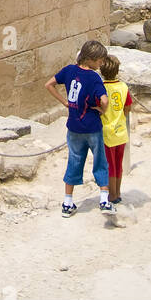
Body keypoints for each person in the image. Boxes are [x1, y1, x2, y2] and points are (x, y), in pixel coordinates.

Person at [45, 39, 113, 215]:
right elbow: (104, 100)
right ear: (91, 59)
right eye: (99, 61)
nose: (101, 64)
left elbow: (49, 84)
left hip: (74, 127)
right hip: (92, 126)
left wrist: (65, 103)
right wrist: (102, 110)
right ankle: (104, 200)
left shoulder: (69, 70)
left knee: (74, 161)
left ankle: (67, 203)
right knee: (100, 162)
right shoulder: (94, 77)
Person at [99, 53, 132, 203]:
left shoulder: (102, 88)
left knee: (110, 166)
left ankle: (111, 194)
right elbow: (128, 107)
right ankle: (118, 192)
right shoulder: (124, 87)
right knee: (118, 164)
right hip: (121, 130)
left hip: (107, 132)